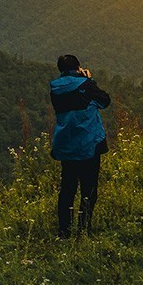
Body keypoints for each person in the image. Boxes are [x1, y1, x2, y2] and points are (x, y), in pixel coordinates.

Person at [50, 54, 111, 239]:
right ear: (78, 67)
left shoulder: (55, 89)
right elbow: (105, 101)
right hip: (88, 144)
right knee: (89, 188)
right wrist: (88, 80)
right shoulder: (86, 85)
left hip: (67, 146)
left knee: (67, 188)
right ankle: (83, 229)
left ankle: (64, 231)